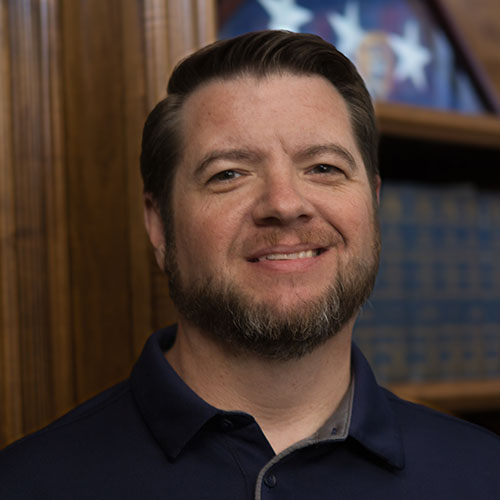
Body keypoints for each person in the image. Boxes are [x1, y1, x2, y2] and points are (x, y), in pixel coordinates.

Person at [0, 30, 499, 499]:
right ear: (159, 225)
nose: (284, 203)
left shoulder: (484, 474)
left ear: (372, 203)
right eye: (229, 173)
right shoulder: (26, 484)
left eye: (324, 167)